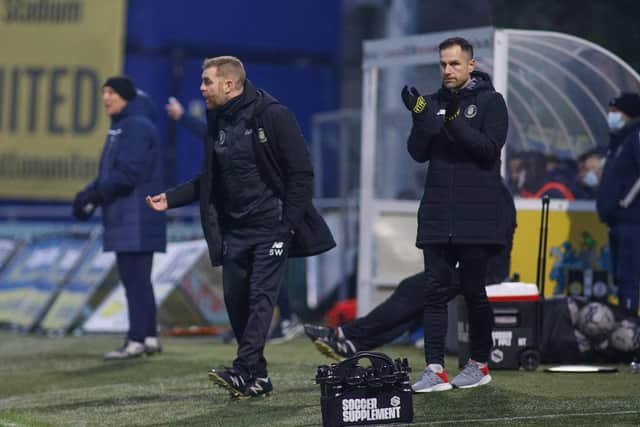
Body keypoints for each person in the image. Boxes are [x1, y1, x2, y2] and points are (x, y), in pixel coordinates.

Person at [146, 56, 335, 398]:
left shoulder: (274, 115)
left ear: (229, 84)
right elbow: (211, 179)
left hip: (272, 227)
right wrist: (171, 198)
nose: (201, 89)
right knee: (236, 300)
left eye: (207, 82)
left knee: (262, 297)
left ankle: (243, 369)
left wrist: (286, 226)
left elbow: (301, 174)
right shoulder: (218, 119)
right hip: (236, 231)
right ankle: (258, 378)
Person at [400, 37, 508, 392]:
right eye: (443, 64)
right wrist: (421, 119)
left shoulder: (491, 102)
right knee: (433, 292)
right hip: (436, 215)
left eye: (455, 64)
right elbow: (417, 153)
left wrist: (452, 123)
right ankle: (435, 370)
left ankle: (479, 363)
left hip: (476, 216)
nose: (448, 71)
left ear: (471, 65)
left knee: (475, 293)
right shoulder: (431, 104)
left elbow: (488, 150)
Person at [304, 181, 516, 361]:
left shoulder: (491, 192)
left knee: (414, 290)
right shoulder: (485, 188)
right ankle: (352, 344)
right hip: (471, 267)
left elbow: (491, 243)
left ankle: (345, 333)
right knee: (413, 304)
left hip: (485, 270)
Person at [165, 96, 303, 343]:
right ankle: (248, 327)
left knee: (264, 274)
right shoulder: (231, 130)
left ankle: (287, 318)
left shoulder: (262, 126)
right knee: (247, 276)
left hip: (266, 215)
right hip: (243, 216)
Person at [72, 77, 167, 360]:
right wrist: (90, 193)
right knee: (139, 281)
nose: (106, 98)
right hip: (129, 217)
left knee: (135, 281)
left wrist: (91, 196)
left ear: (125, 96)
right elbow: (113, 174)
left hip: (135, 218)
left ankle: (136, 339)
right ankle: (148, 337)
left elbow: (127, 174)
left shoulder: (135, 126)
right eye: (103, 92)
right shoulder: (125, 126)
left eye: (111, 92)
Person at [596, 93, 640, 315]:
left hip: (631, 220)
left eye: (616, 112)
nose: (611, 116)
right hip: (617, 220)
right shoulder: (619, 139)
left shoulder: (635, 136)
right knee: (621, 278)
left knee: (629, 278)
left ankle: (630, 328)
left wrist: (625, 202)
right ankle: (624, 323)